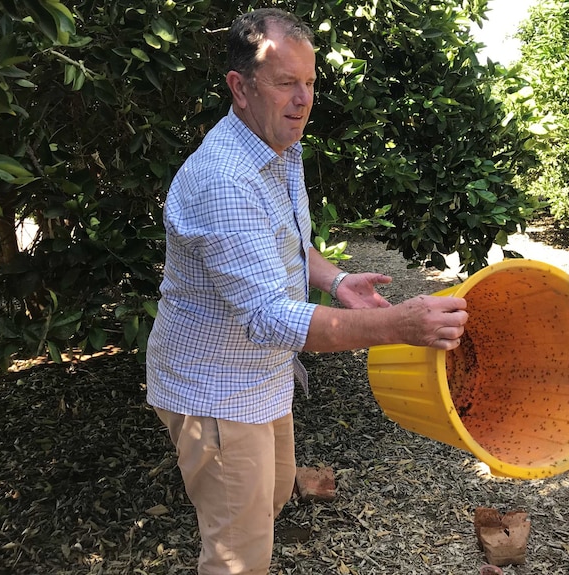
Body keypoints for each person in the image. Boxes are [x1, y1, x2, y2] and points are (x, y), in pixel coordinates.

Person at [145, 8, 468, 575]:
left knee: (267, 501)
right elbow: (269, 317)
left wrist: (335, 279)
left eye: (310, 83)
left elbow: (286, 242)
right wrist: (397, 326)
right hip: (216, 390)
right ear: (239, 88)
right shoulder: (225, 179)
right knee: (237, 555)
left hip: (263, 376)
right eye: (286, 83)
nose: (303, 99)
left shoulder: (279, 147)